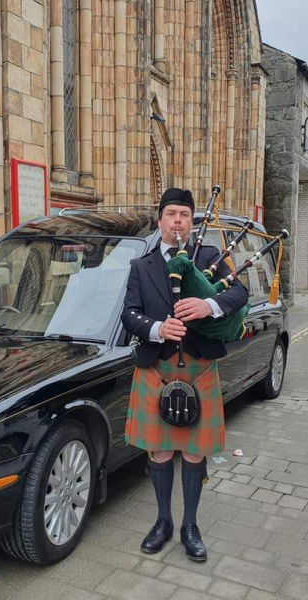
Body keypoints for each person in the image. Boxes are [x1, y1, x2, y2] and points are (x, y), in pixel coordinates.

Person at [121, 188, 249, 561]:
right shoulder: (141, 267)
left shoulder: (210, 257)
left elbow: (239, 294)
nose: (178, 221)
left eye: (185, 215)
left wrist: (208, 304)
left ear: (192, 222)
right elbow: (129, 314)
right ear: (160, 219)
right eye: (172, 213)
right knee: (159, 452)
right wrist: (157, 329)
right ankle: (163, 522)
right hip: (156, 369)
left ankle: (190, 526)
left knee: (194, 454)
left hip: (199, 368)